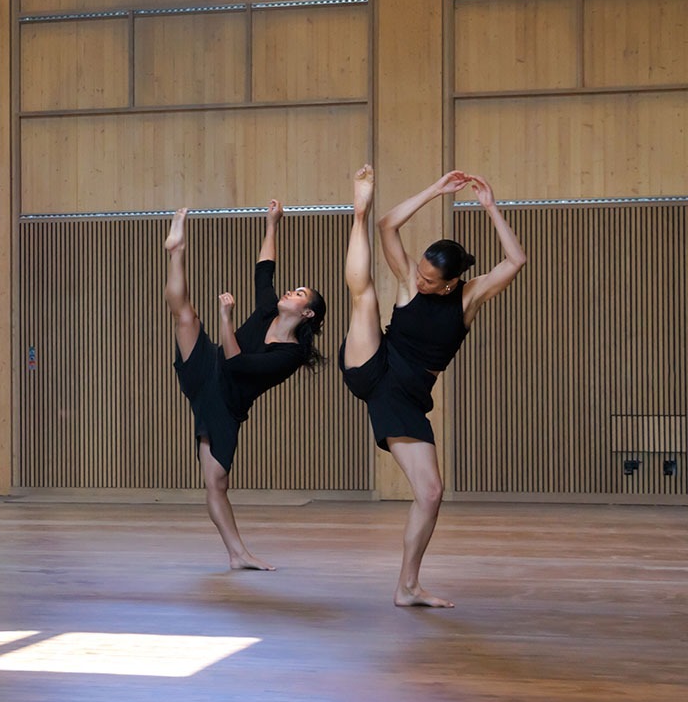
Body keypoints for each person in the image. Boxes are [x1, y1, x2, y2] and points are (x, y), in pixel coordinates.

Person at [342, 166, 527, 607]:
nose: (420, 281)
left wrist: (490, 207)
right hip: (374, 364)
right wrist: (436, 190)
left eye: (430, 280)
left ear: (451, 283)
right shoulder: (410, 280)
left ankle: (407, 586)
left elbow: (516, 261)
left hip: (407, 398)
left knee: (430, 493)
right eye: (421, 273)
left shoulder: (470, 297)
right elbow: (389, 226)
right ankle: (357, 211)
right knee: (364, 296)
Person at [164, 200, 328, 570]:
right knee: (185, 316)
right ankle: (176, 251)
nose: (290, 292)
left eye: (299, 294)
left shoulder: (290, 354)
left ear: (307, 313)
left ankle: (238, 554)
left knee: (216, 482)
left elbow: (237, 364)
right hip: (208, 369)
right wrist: (272, 223)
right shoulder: (269, 309)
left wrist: (226, 318)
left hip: (226, 402)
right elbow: (264, 269)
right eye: (293, 289)